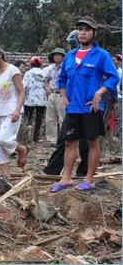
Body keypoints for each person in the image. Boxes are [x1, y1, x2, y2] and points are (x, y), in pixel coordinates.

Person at [50, 16, 119, 192]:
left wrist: (99, 93)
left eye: (87, 29)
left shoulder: (101, 55)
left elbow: (113, 77)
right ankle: (66, 178)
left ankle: (89, 179)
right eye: (80, 29)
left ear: (93, 33)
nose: (83, 32)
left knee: (92, 141)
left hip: (91, 106)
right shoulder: (70, 56)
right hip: (73, 107)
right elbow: (62, 78)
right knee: (69, 142)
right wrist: (64, 97)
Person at [43, 31, 88, 177]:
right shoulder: (70, 58)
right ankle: (52, 171)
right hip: (72, 103)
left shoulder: (95, 56)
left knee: (86, 140)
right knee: (66, 138)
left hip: (86, 102)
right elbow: (62, 79)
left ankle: (83, 172)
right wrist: (63, 94)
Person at [0, 43, 28, 178]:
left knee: (3, 139)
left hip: (11, 111)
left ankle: (21, 149)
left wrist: (17, 110)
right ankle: (6, 178)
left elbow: (21, 92)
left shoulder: (12, 70)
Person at [44, 47, 67, 145]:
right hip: (52, 94)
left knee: (63, 117)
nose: (56, 57)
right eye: (55, 55)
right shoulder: (52, 68)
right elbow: (46, 79)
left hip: (62, 95)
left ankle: (64, 139)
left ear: (63, 56)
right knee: (50, 118)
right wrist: (47, 88)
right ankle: (51, 140)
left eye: (59, 55)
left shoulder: (66, 67)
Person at [23, 56, 47, 142]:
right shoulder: (44, 73)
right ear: (40, 64)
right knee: (39, 119)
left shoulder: (28, 73)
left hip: (29, 99)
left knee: (27, 118)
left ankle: (26, 137)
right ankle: (36, 137)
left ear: (31, 64)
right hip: (42, 100)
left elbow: (24, 86)